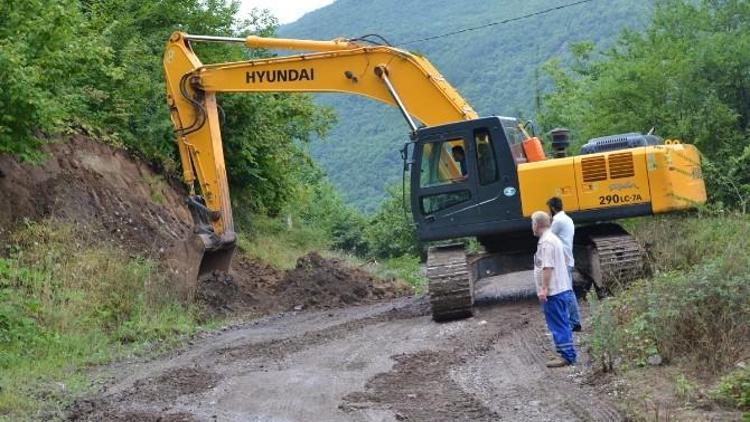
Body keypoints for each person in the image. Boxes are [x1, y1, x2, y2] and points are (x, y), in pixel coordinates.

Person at [531, 210, 577, 367]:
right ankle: (566, 353)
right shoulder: (553, 239)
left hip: (555, 291)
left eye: (532, 223)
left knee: (558, 324)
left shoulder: (547, 242)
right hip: (561, 289)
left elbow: (547, 267)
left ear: (536, 225)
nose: (532, 227)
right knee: (561, 322)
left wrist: (544, 289)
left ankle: (567, 356)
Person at [547, 197, 582, 332]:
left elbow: (548, 237)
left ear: (552, 208)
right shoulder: (567, 219)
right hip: (566, 258)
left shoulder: (558, 220)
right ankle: (572, 321)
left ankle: (574, 322)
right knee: (565, 290)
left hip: (562, 260)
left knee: (566, 291)